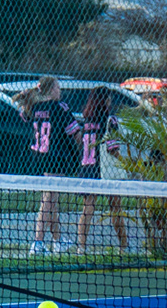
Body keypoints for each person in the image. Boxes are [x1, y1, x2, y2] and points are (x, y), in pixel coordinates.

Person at [16, 76, 78, 256]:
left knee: (53, 200)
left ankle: (57, 240)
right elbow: (75, 133)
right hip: (56, 157)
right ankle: (38, 241)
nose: (60, 91)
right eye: (57, 87)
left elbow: (23, 114)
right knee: (48, 199)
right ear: (51, 90)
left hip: (41, 156)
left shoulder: (35, 107)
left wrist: (25, 97)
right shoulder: (60, 108)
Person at [72, 86, 128, 251]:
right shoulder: (110, 120)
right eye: (109, 98)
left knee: (87, 209)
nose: (111, 101)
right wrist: (128, 164)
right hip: (105, 170)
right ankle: (124, 246)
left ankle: (81, 247)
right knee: (116, 208)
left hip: (87, 168)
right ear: (105, 100)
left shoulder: (87, 121)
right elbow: (113, 148)